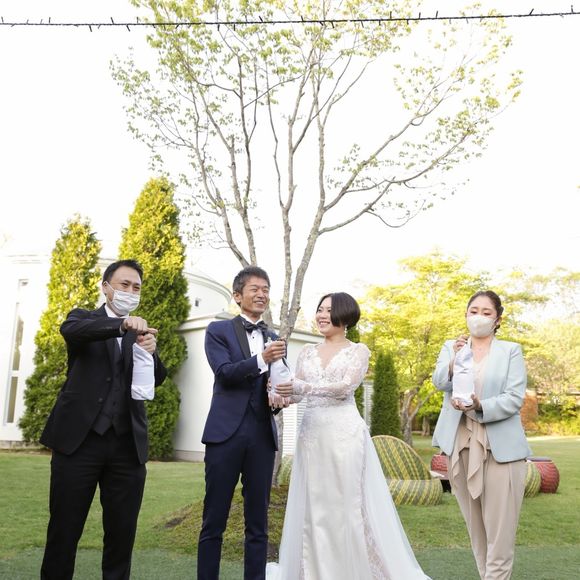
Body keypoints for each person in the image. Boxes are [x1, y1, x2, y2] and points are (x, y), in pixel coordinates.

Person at [270, 292, 429, 580]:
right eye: (319, 309)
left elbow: (345, 388)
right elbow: (297, 393)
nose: (321, 315)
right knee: (313, 504)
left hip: (344, 434)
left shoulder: (358, 351)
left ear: (344, 316)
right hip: (312, 435)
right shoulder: (306, 352)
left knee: (346, 504)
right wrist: (279, 394)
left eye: (328, 310)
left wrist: (301, 387)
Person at [40, 259, 167, 580]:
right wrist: (120, 325)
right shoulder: (83, 319)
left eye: (136, 287)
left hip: (127, 447)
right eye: (124, 285)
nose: (130, 292)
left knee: (121, 536)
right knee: (64, 531)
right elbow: (72, 330)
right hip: (78, 444)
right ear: (106, 287)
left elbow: (158, 379)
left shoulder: (141, 332)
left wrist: (151, 352)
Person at [432, 290, 531, 580]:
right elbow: (439, 382)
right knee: (476, 532)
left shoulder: (510, 351)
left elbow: (514, 398)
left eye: (486, 313)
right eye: (473, 311)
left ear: (497, 319)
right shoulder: (451, 347)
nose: (479, 317)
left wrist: (480, 406)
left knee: (499, 535)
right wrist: (454, 360)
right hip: (460, 445)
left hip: (501, 449)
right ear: (465, 314)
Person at [198, 266, 287, 580]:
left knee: (258, 524)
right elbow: (224, 373)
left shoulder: (274, 338)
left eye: (266, 289)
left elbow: (278, 382)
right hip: (224, 435)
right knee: (214, 521)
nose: (262, 294)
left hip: (262, 436)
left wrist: (281, 396)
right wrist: (263, 359)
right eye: (255, 289)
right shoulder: (217, 330)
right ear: (237, 296)